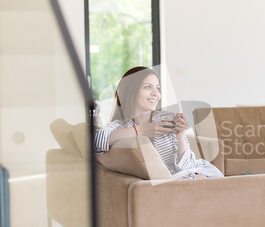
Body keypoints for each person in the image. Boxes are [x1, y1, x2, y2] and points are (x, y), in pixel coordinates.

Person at [94, 66, 223, 179]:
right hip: (172, 183)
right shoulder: (120, 126)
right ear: (130, 91)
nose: (156, 94)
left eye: (157, 88)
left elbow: (189, 166)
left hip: (194, 173)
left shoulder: (168, 119)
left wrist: (181, 139)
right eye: (147, 87)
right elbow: (93, 142)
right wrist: (142, 130)